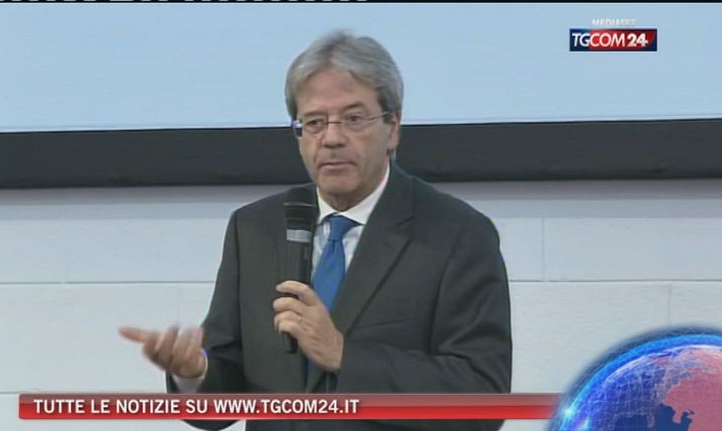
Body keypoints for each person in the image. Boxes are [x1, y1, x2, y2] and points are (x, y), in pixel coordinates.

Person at [120, 30, 512, 431]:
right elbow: (227, 384)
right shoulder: (255, 230)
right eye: (315, 122)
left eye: (353, 119)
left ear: (392, 127)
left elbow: (483, 399)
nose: (332, 138)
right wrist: (194, 374)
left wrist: (345, 355)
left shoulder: (457, 235)